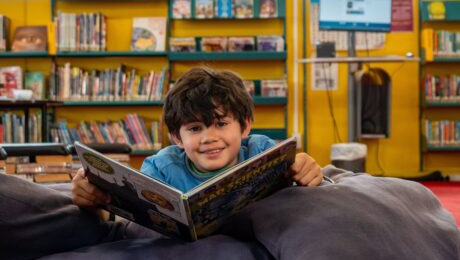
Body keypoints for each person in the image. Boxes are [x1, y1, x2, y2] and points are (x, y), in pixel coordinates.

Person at [72, 67, 323, 210]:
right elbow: (128, 216)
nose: (209, 138)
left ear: (245, 126)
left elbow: (308, 185)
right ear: (176, 138)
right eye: (194, 129)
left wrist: (307, 169)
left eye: (222, 124)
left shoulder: (262, 151)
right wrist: (96, 201)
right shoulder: (161, 167)